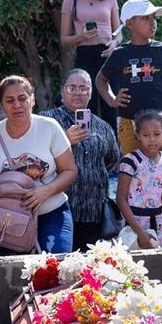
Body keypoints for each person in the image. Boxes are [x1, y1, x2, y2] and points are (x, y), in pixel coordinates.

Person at [0, 76, 78, 255]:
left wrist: (45, 191)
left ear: (32, 100)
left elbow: (70, 171)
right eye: (10, 100)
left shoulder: (49, 128)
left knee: (56, 270)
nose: (17, 105)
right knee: (16, 277)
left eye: (22, 98)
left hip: (52, 213)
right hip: (6, 220)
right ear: (1, 104)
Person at [38, 69, 120, 251]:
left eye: (83, 88)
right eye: (72, 88)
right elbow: (38, 158)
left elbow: (112, 159)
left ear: (90, 92)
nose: (78, 93)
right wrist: (65, 141)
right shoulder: (47, 120)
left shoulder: (103, 126)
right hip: (59, 209)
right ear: (62, 90)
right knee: (59, 263)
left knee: (90, 267)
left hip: (94, 211)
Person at [97, 0, 162, 152]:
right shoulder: (120, 54)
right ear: (129, 23)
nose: (152, 21)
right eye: (145, 18)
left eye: (153, 17)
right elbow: (100, 79)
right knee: (131, 171)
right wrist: (112, 100)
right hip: (129, 124)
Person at [59, 0, 120, 130]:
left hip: (108, 54)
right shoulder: (71, 1)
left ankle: (113, 149)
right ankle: (85, 144)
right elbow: (64, 39)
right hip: (85, 54)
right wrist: (81, 36)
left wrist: (114, 43)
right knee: (86, 104)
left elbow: (119, 33)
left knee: (111, 104)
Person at [116, 110, 162, 249]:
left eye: (157, 134)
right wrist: (139, 232)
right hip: (134, 223)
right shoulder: (131, 161)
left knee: (158, 265)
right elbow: (121, 198)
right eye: (146, 135)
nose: (152, 139)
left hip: (159, 222)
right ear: (138, 136)